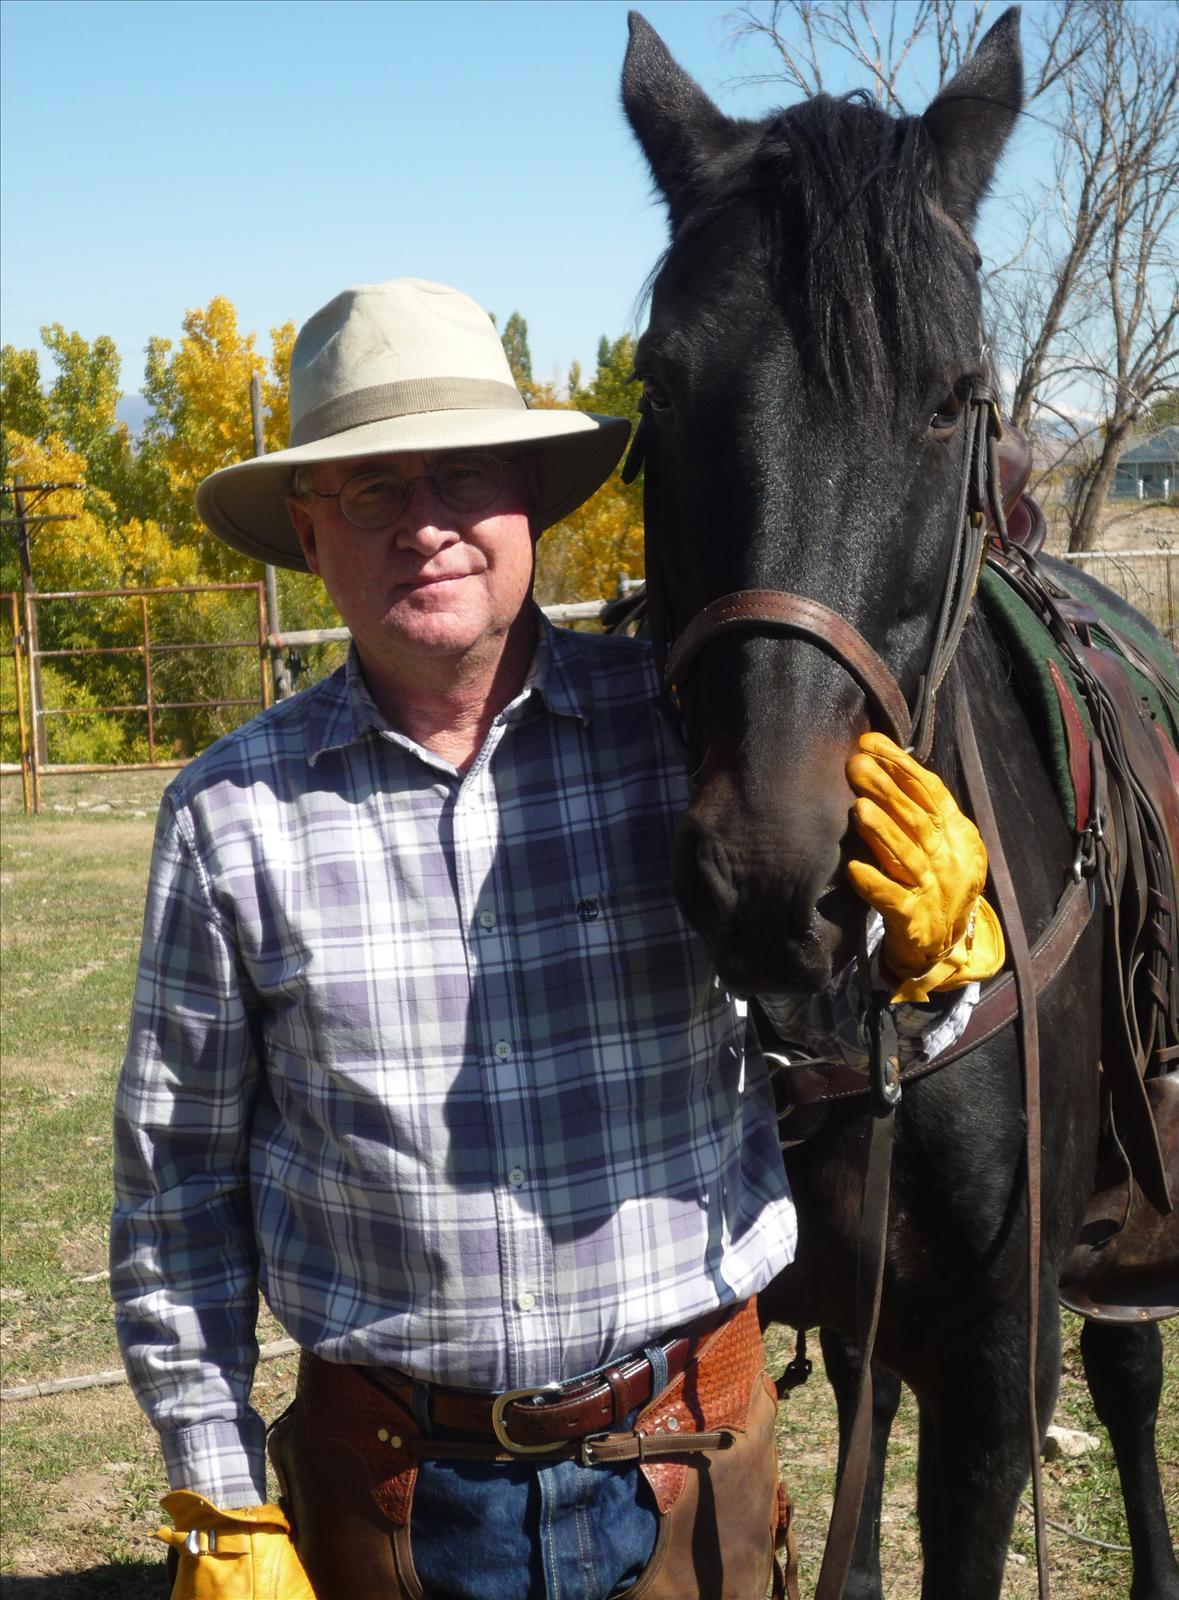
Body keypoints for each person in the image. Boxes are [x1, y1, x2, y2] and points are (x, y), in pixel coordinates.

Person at [111, 277, 1002, 1600]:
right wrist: (221, 1496)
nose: (426, 526)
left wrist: (922, 973)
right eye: (370, 489)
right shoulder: (227, 820)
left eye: (463, 475)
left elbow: (832, 1051)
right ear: (308, 530)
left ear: (529, 499)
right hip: (390, 1497)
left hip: (689, 1464)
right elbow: (177, 1187)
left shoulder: (692, 750)